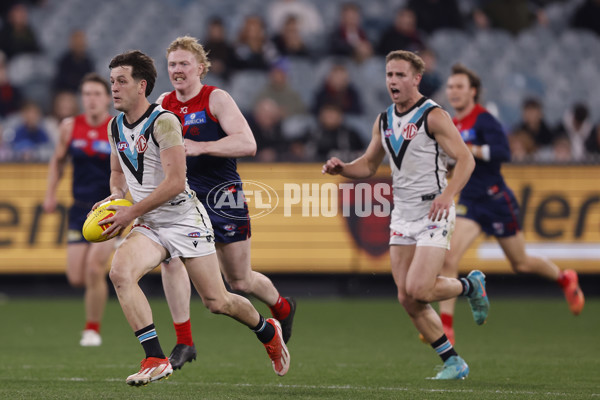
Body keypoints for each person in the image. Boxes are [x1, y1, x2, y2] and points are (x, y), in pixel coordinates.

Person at [322, 50, 485, 380]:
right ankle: (453, 361)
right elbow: (368, 165)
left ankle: (470, 286)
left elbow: (466, 160)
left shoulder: (433, 116)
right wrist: (343, 169)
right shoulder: (384, 120)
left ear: (416, 79)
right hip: (403, 214)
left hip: (433, 211)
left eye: (399, 75)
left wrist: (447, 195)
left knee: (420, 290)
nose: (392, 81)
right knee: (407, 298)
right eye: (388, 75)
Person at [157, 36, 296, 370]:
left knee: (239, 281)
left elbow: (247, 143)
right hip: (184, 200)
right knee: (171, 258)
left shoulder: (215, 98)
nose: (177, 70)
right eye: (173, 64)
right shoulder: (163, 103)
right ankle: (184, 342)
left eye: (184, 64)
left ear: (200, 68)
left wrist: (201, 147)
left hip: (223, 198)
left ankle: (283, 307)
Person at [440, 63, 585, 344]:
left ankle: (565, 278)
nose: (453, 92)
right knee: (449, 257)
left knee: (520, 263)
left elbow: (503, 151)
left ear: (473, 92)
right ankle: (446, 327)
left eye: (459, 87)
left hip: (496, 199)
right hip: (470, 200)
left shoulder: (484, 120)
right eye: (450, 87)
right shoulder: (452, 123)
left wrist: (469, 150)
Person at [43, 73, 113, 347]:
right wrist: (50, 194)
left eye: (97, 94)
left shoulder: (116, 127)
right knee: (76, 277)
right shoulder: (70, 127)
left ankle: (92, 329)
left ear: (107, 98)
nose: (91, 99)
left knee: (95, 270)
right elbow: (57, 161)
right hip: (78, 209)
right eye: (87, 94)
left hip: (109, 210)